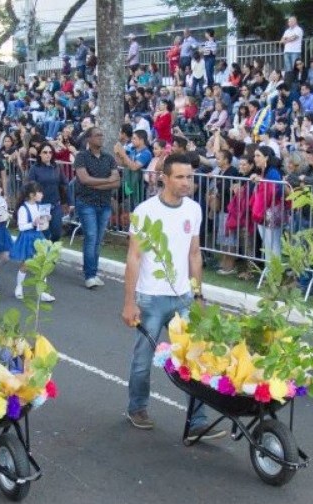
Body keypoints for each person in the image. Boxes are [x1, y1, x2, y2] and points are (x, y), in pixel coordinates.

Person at [120, 153, 226, 442]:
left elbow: (194, 254)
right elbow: (134, 258)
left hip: (183, 298)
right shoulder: (145, 211)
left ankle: (198, 421)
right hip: (151, 299)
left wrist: (198, 293)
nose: (186, 182)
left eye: (190, 177)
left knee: (195, 357)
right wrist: (129, 302)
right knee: (143, 359)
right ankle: (137, 407)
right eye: (179, 177)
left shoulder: (193, 209)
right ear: (163, 178)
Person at [74, 128, 121, 289]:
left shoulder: (109, 158)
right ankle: (89, 275)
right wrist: (106, 181)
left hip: (104, 203)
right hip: (87, 203)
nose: (101, 138)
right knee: (91, 237)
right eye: (97, 135)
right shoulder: (81, 157)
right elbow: (84, 179)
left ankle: (93, 272)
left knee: (98, 240)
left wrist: (99, 185)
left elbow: (117, 182)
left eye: (102, 135)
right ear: (89, 139)